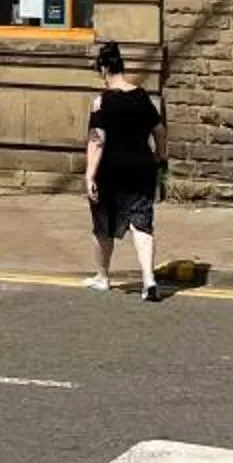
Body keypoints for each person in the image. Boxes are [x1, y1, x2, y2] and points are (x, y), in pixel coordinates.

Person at [82, 42, 165, 300]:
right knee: (142, 224)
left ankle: (103, 276)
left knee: (103, 224)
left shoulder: (101, 102)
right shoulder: (141, 97)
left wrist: (89, 175)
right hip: (142, 167)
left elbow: (97, 140)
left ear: (105, 68)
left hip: (111, 169)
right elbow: (159, 131)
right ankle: (149, 281)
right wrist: (161, 156)